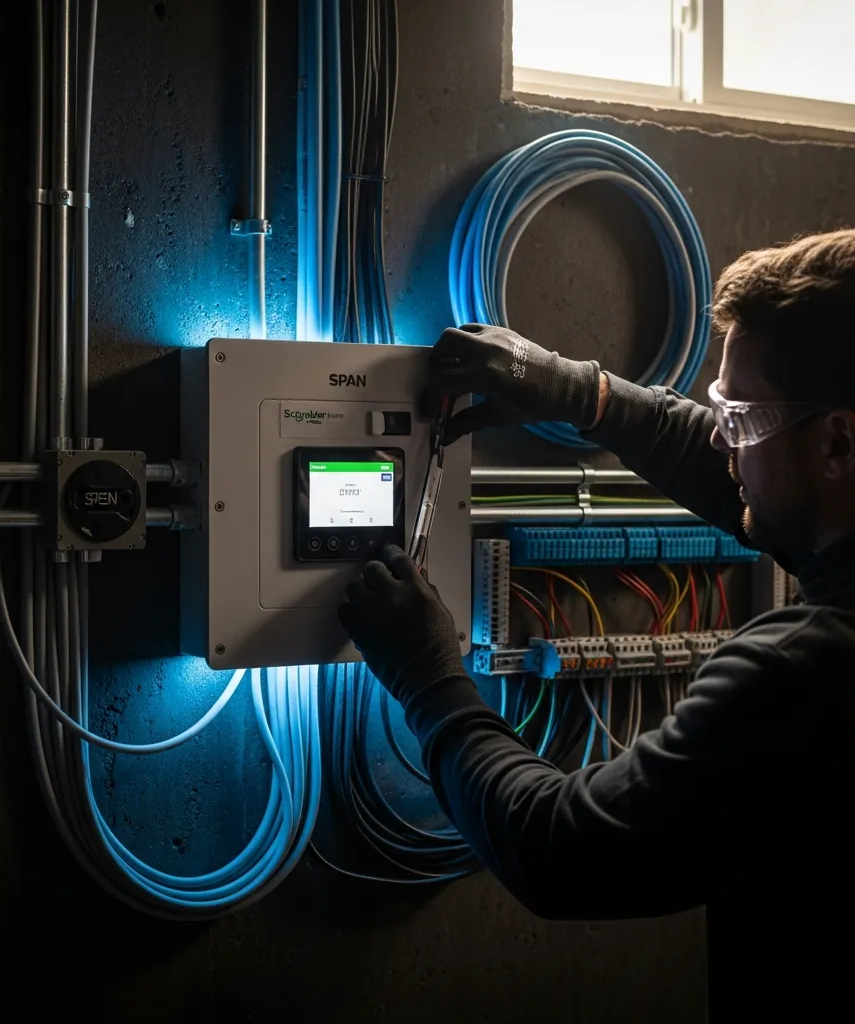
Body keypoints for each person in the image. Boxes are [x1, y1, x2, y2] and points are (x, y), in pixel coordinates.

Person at [337, 228, 855, 1021]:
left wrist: (427, 676)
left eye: (742, 418)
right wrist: (590, 395)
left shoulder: (805, 673)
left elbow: (562, 850)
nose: (722, 438)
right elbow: (762, 498)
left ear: (839, 441)